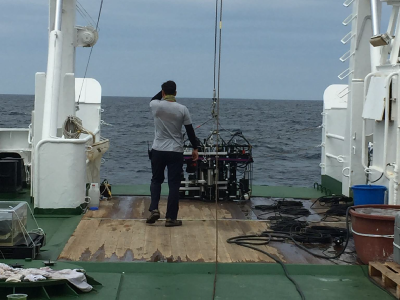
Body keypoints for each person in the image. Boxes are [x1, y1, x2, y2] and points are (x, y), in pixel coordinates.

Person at [147, 80, 199, 227]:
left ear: (163, 92)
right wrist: (195, 148)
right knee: (174, 184)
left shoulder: (156, 105)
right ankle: (171, 218)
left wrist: (162, 92)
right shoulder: (182, 109)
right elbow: (190, 131)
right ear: (176, 93)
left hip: (158, 149)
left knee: (156, 180)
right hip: (175, 151)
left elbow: (153, 99)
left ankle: (154, 209)